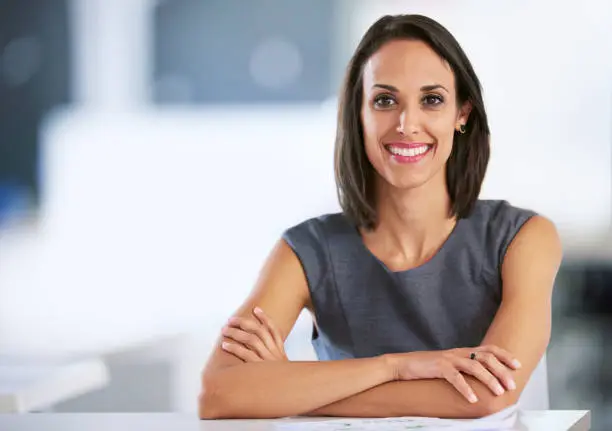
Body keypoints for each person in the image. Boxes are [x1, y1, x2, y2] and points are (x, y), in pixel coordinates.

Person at [198, 14, 562, 420]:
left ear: (462, 114)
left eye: (432, 99)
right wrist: (395, 366)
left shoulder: (523, 238)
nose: (407, 125)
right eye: (385, 101)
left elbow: (487, 394)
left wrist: (288, 386)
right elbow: (220, 393)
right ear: (359, 114)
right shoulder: (306, 251)